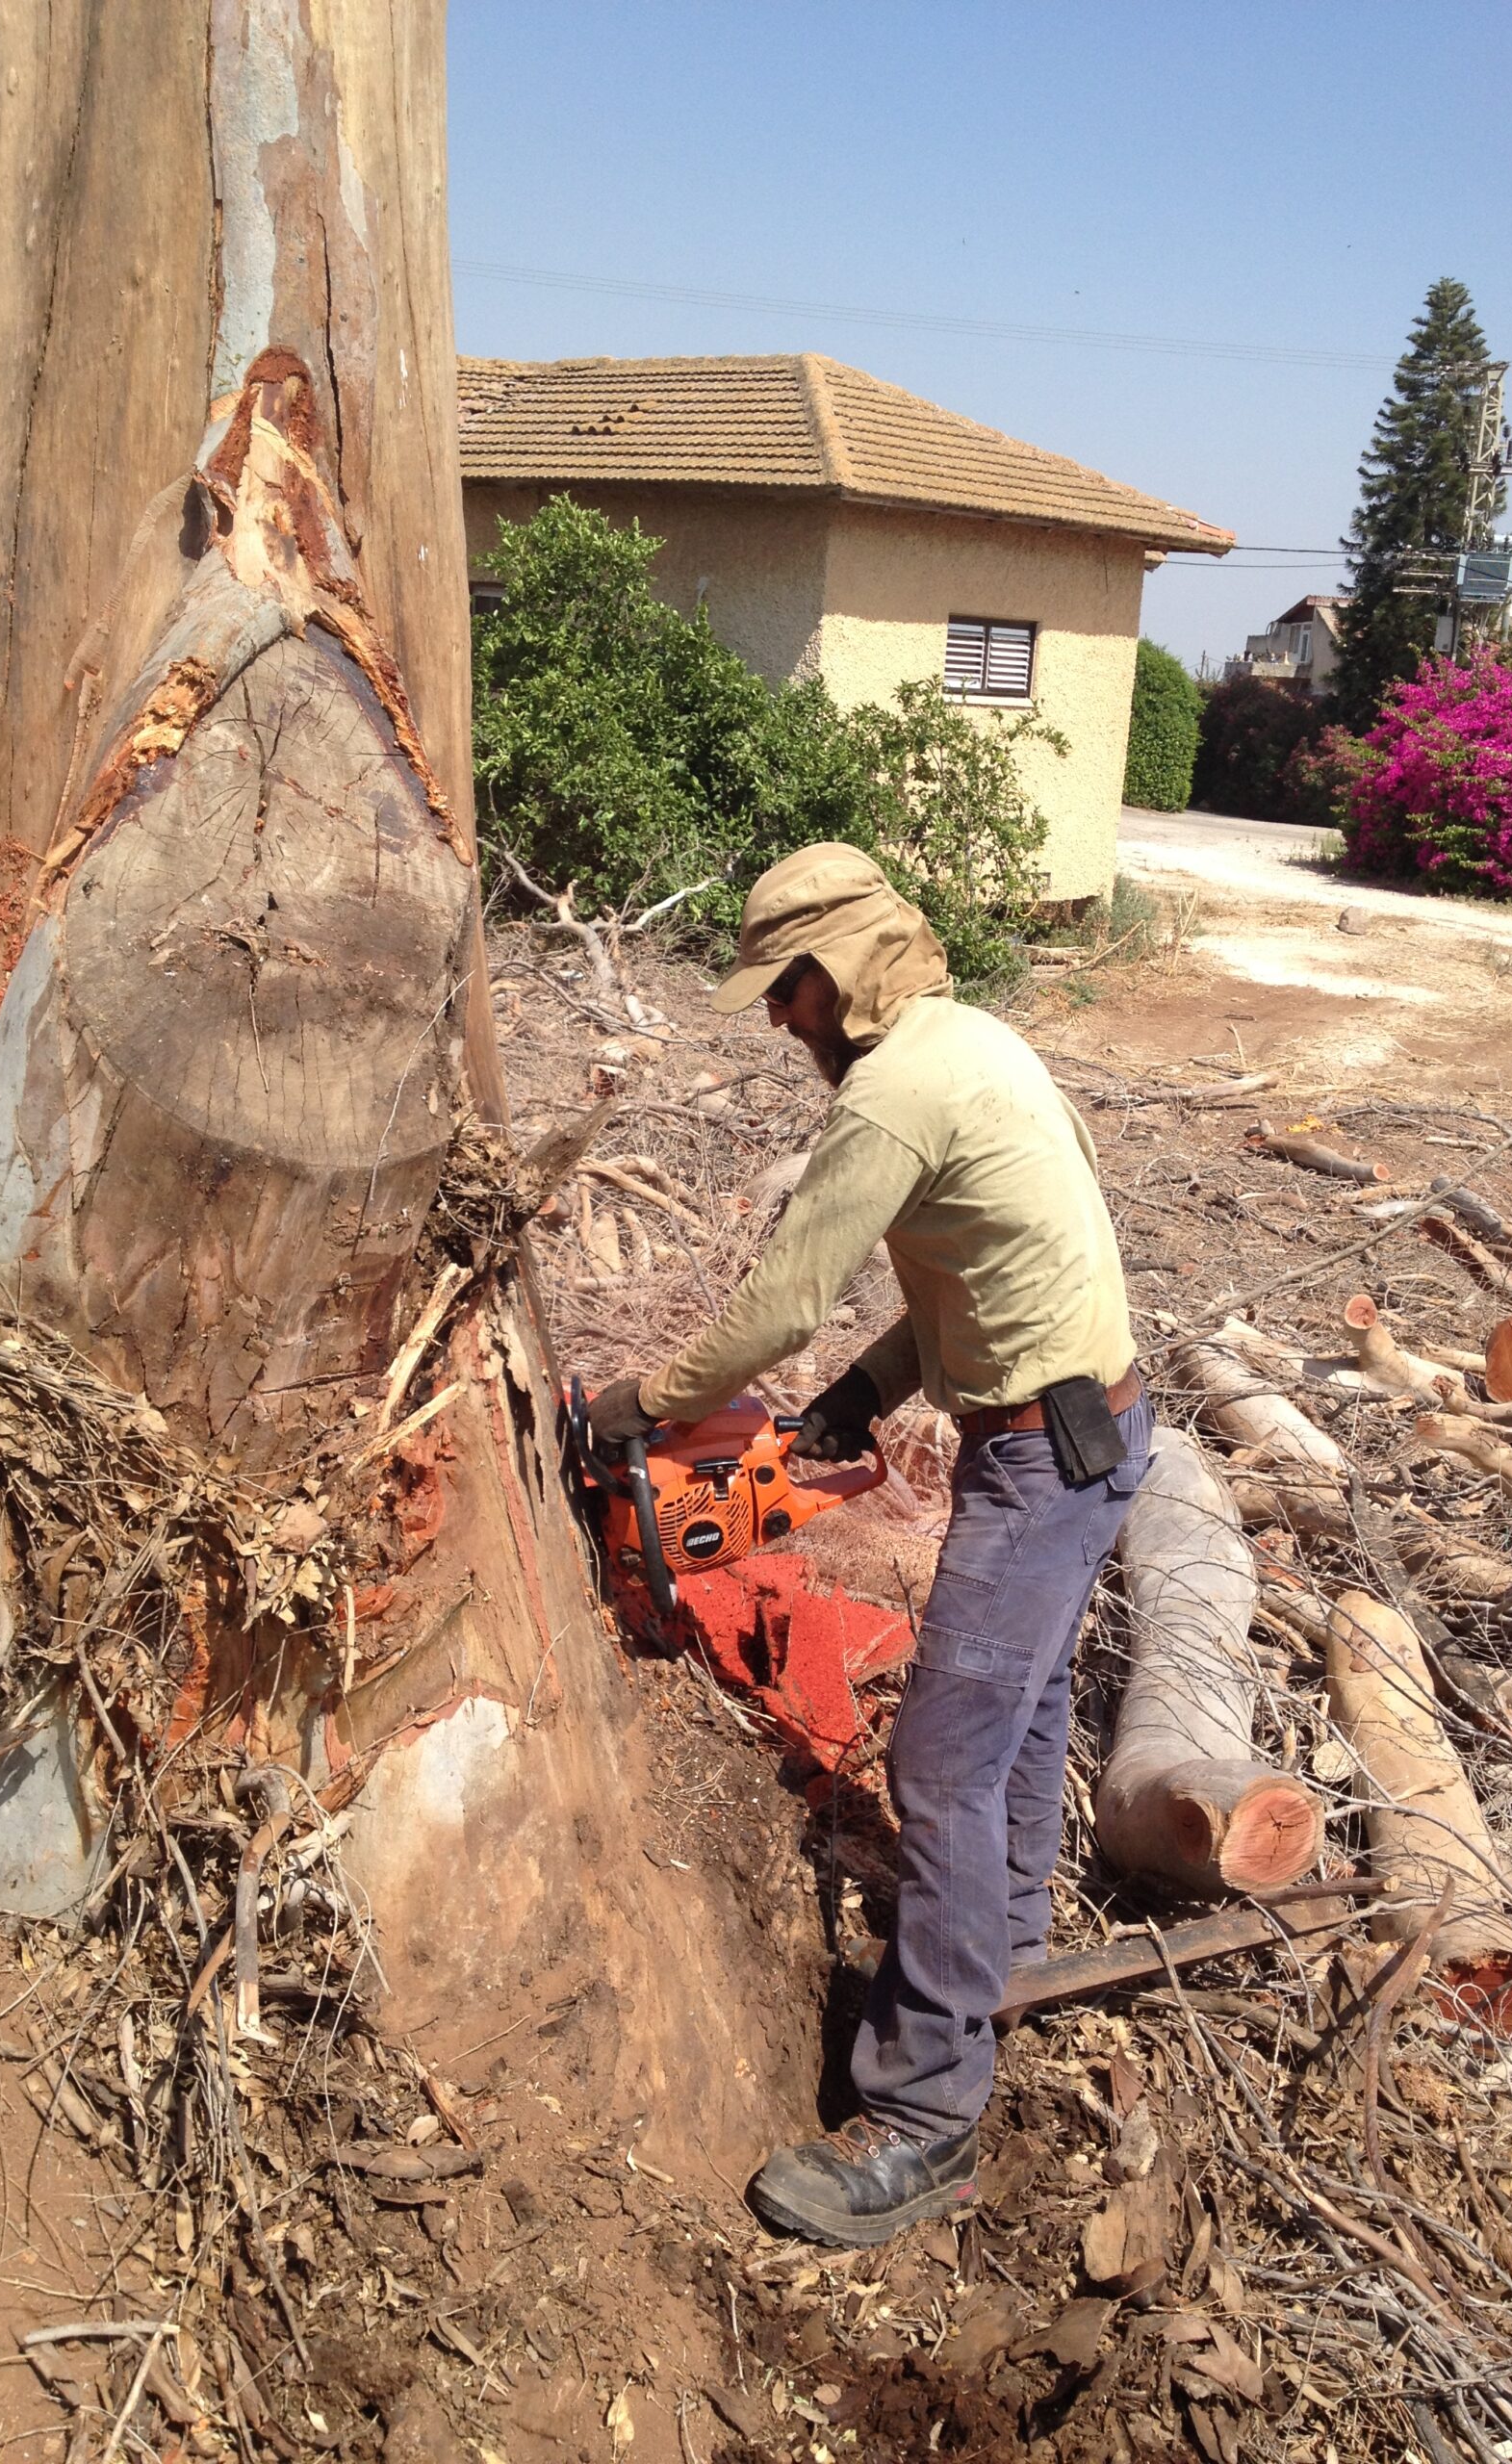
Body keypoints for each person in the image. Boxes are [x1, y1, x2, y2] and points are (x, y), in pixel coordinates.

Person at [589, 842, 1150, 2247]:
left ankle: (924, 2124)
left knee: (941, 1761)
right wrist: (863, 1396)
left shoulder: (893, 1092)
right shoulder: (969, 1047)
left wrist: (638, 1405)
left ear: (836, 976)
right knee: (1012, 1729)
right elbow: (978, 1273)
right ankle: (999, 1957)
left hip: (1043, 1456)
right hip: (1092, 1430)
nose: (778, 1023)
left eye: (785, 993)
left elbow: (781, 1304)